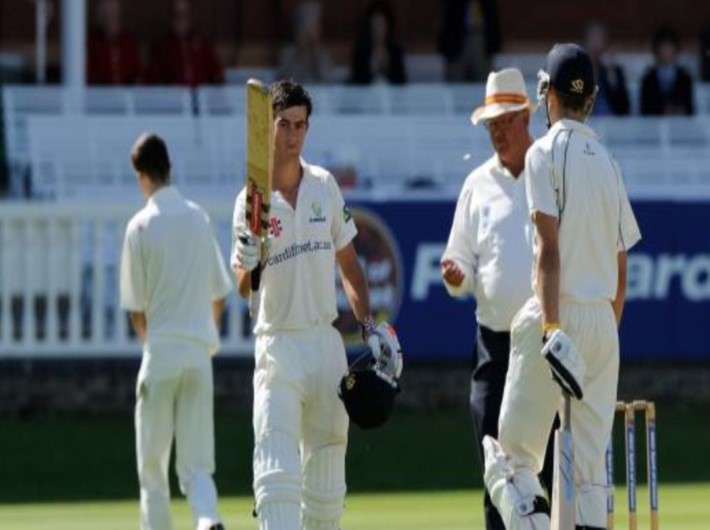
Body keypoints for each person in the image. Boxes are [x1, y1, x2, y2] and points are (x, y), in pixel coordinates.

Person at [483, 44, 641, 530]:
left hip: (556, 315)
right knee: (590, 477)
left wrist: (552, 328)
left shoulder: (544, 153)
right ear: (590, 99)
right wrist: (602, 338)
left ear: (546, 94)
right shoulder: (609, 164)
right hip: (601, 325)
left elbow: (547, 251)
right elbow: (620, 269)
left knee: (510, 458)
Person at [231, 79, 397, 530]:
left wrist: (369, 327)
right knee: (277, 484)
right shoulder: (251, 202)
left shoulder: (324, 186)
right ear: (269, 127)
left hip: (325, 345)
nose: (292, 136)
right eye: (283, 125)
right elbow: (244, 285)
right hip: (278, 346)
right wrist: (248, 259)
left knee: (325, 495)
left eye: (300, 126)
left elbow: (350, 265)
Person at [440, 67, 554, 530]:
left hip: (544, 340)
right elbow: (458, 261)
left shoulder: (548, 173)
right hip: (493, 347)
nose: (498, 133)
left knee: (544, 468)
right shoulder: (476, 185)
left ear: (526, 117)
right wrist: (456, 274)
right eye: (492, 126)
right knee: (497, 472)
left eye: (506, 122)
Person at [120, 132, 232, 530]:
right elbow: (220, 291)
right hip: (198, 354)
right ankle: (207, 520)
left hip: (162, 351)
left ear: (143, 175)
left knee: (152, 467)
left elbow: (136, 310)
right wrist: (205, 332)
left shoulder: (140, 226)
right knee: (197, 463)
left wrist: (157, 345)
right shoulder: (198, 218)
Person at [146, 0, 224, 86]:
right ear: (171, 17)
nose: (181, 19)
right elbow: (151, 81)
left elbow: (217, 76)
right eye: (177, 15)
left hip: (201, 95)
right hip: (172, 96)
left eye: (185, 15)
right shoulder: (162, 47)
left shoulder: (203, 45)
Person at [437, 0, 501, 82]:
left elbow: (493, 17)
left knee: (483, 78)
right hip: (457, 40)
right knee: (455, 78)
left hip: (480, 38)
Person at [348, 0, 407, 85]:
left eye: (381, 25)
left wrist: (387, 68)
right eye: (375, 25)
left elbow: (402, 81)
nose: (378, 29)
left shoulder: (395, 49)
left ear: (387, 26)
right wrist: (370, 70)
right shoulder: (361, 49)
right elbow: (355, 81)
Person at [640, 25, 694, 115]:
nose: (666, 52)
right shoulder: (648, 79)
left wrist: (676, 111)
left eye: (669, 48)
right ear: (656, 50)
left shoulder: (685, 78)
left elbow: (690, 109)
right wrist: (662, 111)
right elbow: (644, 109)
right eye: (663, 48)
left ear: (675, 50)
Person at [276, 1, 334, 83]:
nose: (319, 29)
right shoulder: (287, 54)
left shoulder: (322, 54)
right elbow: (285, 83)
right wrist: (301, 51)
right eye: (315, 24)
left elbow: (328, 82)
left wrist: (315, 52)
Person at [87, 0, 143, 85]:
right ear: (100, 19)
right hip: (101, 94)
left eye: (114, 15)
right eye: (107, 16)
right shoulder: (92, 43)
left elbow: (137, 72)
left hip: (126, 95)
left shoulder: (128, 41)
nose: (111, 20)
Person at [584, 20, 630, 116]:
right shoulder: (576, 71)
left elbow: (625, 109)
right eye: (593, 38)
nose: (596, 43)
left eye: (600, 38)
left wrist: (611, 76)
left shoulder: (615, 71)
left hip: (612, 127)